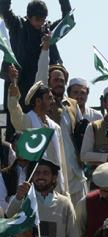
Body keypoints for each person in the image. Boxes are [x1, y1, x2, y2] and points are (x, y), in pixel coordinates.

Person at [0, 0, 71, 141]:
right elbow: (4, 9)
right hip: (18, 83)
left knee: (42, 128)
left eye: (43, 20)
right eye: (37, 20)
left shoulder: (47, 30)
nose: (40, 23)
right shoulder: (17, 25)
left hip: (40, 86)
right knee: (15, 126)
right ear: (28, 16)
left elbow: (68, 20)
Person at [35, 41, 88, 206]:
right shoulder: (45, 104)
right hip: (54, 171)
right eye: (56, 79)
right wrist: (45, 50)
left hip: (75, 172)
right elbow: (40, 78)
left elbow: (81, 133)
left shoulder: (72, 104)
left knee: (79, 222)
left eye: (62, 80)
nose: (59, 83)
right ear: (49, 81)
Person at [6, 158, 81, 237]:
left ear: (54, 177)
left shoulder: (64, 203)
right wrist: (18, 197)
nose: (40, 176)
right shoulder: (24, 199)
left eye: (45, 173)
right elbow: (8, 217)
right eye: (37, 173)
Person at [7, 65, 68, 194]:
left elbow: (61, 162)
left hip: (55, 186)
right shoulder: (27, 121)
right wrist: (13, 81)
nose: (52, 101)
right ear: (38, 101)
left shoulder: (55, 126)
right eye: (49, 98)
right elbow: (14, 108)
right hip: (35, 186)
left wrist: (65, 189)